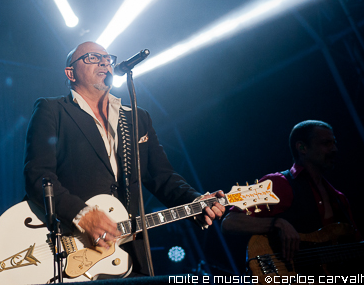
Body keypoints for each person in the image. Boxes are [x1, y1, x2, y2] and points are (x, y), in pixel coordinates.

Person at [23, 41, 224, 276]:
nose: (104, 62)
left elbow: (162, 176)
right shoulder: (52, 109)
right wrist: (82, 214)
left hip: (132, 252)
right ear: (70, 73)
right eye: (91, 57)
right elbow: (38, 176)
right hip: (74, 246)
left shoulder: (137, 117)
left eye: (108, 58)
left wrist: (195, 200)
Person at [222, 120, 359, 265]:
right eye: (326, 143)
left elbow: (358, 249)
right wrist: (277, 223)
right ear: (302, 147)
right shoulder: (277, 183)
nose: (334, 149)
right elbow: (229, 222)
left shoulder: (339, 199)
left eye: (334, 143)